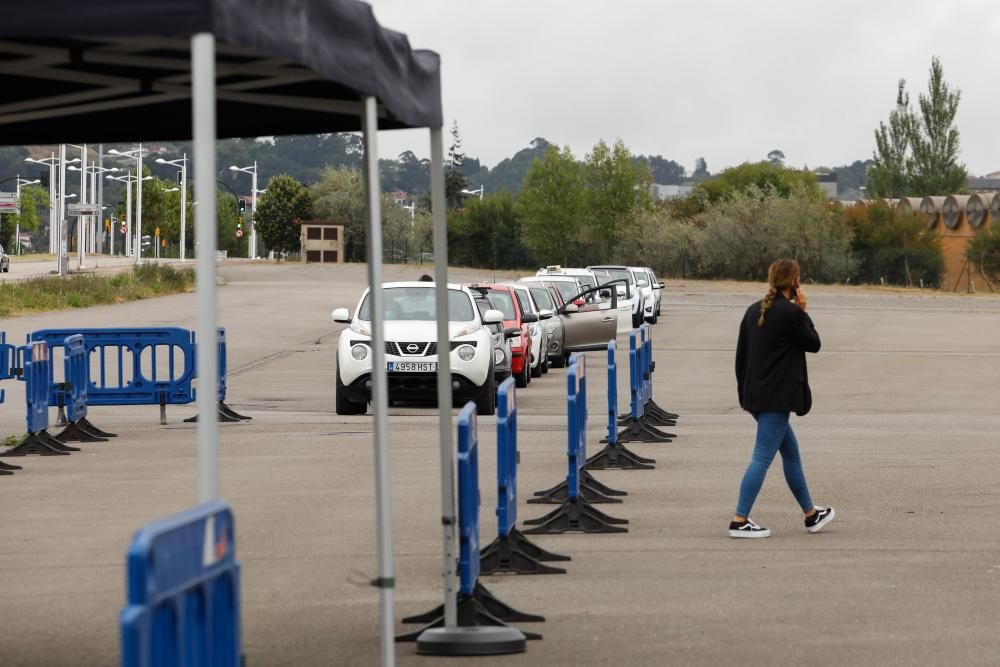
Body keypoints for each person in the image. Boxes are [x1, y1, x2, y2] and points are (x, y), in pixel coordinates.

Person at [730, 259, 834, 538]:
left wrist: (744, 395)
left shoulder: (753, 311)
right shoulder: (790, 314)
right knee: (762, 457)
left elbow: (740, 358)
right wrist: (802, 310)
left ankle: (811, 514)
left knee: (790, 453)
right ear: (795, 282)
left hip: (755, 397)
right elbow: (813, 343)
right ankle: (740, 520)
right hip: (776, 399)